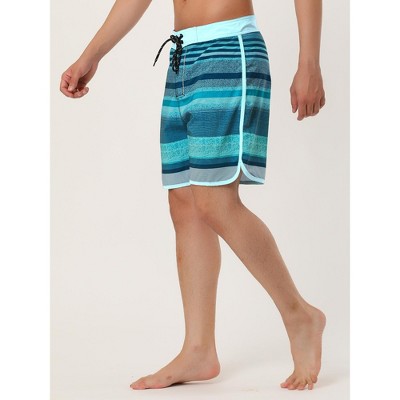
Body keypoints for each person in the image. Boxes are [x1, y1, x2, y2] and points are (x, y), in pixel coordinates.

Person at [60, 0, 326, 392]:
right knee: (184, 204)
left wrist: (309, 61)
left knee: (215, 201)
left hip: (229, 49)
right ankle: (199, 350)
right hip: (182, 55)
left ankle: (299, 314)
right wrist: (91, 55)